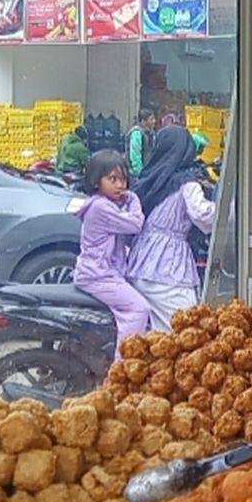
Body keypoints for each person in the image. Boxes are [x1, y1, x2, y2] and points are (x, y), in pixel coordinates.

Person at [127, 126, 216, 331]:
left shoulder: (150, 177)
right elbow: (203, 215)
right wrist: (228, 212)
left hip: (140, 263)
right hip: (168, 268)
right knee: (187, 329)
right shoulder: (187, 182)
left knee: (158, 332)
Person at [72, 150, 149, 357]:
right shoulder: (100, 207)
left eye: (123, 180)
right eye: (112, 179)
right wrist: (132, 199)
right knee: (139, 309)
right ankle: (121, 370)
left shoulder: (105, 204)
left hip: (103, 272)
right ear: (96, 181)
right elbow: (134, 224)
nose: (120, 186)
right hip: (98, 275)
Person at [127, 109, 156, 177]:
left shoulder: (151, 134)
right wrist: (139, 173)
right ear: (143, 121)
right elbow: (135, 155)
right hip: (137, 175)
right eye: (151, 119)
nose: (154, 121)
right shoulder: (136, 133)